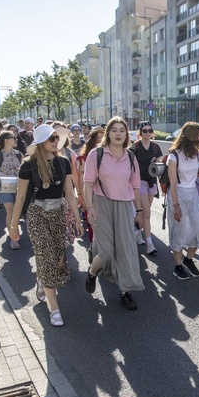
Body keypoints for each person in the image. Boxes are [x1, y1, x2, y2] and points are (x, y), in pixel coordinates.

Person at [8, 125, 83, 326]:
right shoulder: (28, 165)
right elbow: (21, 197)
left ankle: (42, 279)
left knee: (59, 257)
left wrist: (77, 219)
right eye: (51, 138)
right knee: (45, 254)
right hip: (36, 213)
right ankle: (55, 309)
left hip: (58, 212)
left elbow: (69, 192)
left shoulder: (64, 162)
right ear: (41, 142)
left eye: (56, 137)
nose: (55, 141)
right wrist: (14, 226)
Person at [82, 117, 144, 310]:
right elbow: (88, 184)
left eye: (122, 130)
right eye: (114, 130)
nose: (118, 133)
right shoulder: (96, 154)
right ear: (108, 133)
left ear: (127, 135)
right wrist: (89, 207)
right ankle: (93, 273)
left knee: (126, 250)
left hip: (125, 206)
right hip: (102, 204)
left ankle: (125, 292)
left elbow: (135, 187)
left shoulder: (131, 157)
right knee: (107, 253)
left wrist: (139, 211)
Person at [166, 122, 199, 280]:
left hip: (193, 193)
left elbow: (196, 173)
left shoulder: (197, 153)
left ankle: (188, 259)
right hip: (177, 194)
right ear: (190, 135)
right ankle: (178, 266)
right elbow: (172, 182)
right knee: (178, 231)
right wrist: (176, 205)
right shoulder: (174, 155)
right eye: (197, 134)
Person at [131, 121, 163, 254]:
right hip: (139, 182)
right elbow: (128, 161)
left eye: (150, 130)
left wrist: (158, 161)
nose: (148, 133)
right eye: (145, 131)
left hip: (152, 181)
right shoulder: (135, 146)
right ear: (140, 133)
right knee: (147, 214)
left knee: (145, 213)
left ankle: (138, 232)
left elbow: (160, 163)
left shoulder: (155, 147)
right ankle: (150, 244)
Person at [77, 126, 105, 244]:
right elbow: (80, 180)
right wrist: (82, 198)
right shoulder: (83, 158)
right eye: (96, 138)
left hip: (105, 196)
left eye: (101, 137)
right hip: (90, 195)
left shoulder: (109, 155)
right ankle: (94, 252)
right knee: (93, 226)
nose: (99, 140)